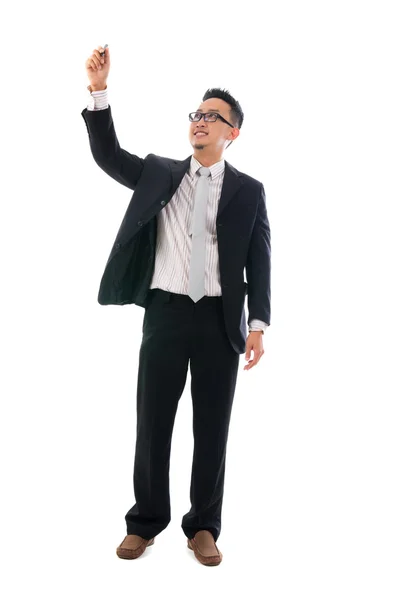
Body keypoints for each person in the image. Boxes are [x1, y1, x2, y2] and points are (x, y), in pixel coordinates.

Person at [81, 44, 271, 567]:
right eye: (197, 114)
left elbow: (261, 258)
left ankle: (204, 526)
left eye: (214, 117)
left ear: (233, 132)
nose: (201, 122)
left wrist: (258, 323)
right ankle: (144, 522)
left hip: (218, 321)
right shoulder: (160, 173)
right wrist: (99, 92)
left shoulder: (250, 191)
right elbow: (107, 156)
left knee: (213, 426)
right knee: (153, 420)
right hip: (165, 313)